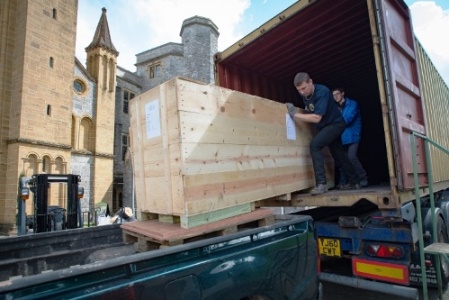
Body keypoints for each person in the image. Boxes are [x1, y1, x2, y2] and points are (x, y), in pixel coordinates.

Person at [286, 72, 360, 195]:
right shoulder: (306, 95)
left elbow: (317, 118)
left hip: (335, 124)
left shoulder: (322, 92)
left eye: (304, 88)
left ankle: (321, 184)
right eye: (299, 90)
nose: (302, 92)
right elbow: (309, 109)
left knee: (315, 145)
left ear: (310, 82)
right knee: (338, 154)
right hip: (327, 126)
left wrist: (295, 114)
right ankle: (355, 181)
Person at [332, 88, 368, 188]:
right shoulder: (335, 107)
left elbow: (347, 119)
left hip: (353, 135)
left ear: (343, 93)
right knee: (343, 160)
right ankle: (345, 182)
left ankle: (363, 178)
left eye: (337, 94)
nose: (336, 97)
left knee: (351, 156)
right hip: (342, 137)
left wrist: (335, 120)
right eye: (333, 95)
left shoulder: (352, 104)